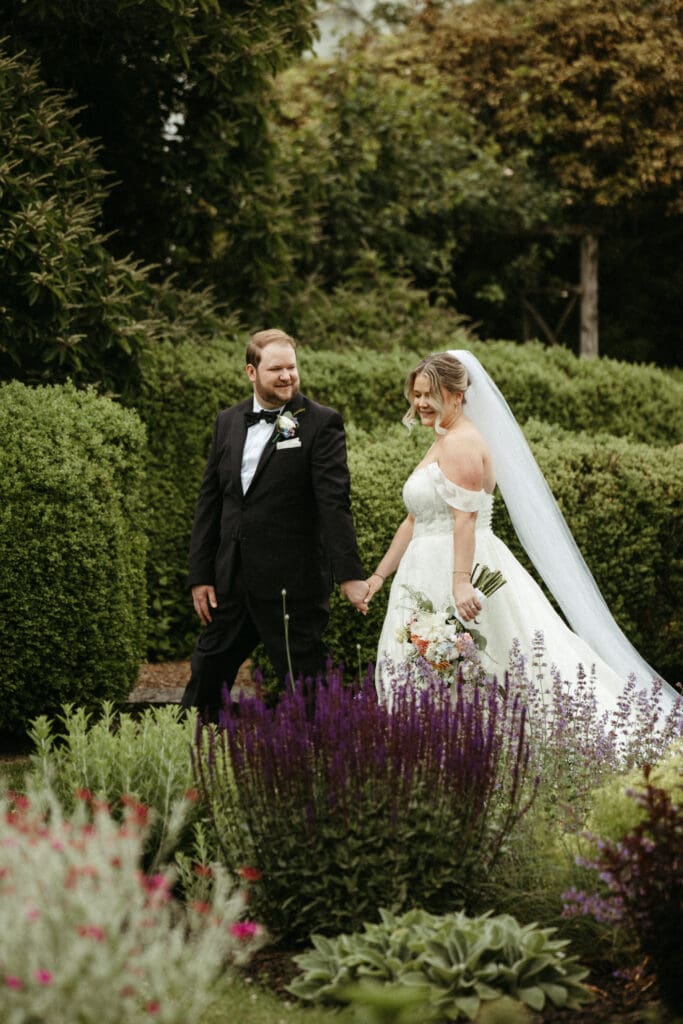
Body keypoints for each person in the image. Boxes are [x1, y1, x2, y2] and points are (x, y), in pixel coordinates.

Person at [366, 350, 681, 717]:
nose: (420, 403)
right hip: (423, 569)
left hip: (460, 566)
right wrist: (378, 576)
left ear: (456, 395)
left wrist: (460, 583)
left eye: (428, 395)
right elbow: (412, 520)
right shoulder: (443, 438)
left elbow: (464, 520)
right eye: (416, 394)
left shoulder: (460, 443)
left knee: (484, 667)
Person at [180, 328, 369, 719]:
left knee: (306, 686)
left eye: (292, 368)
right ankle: (188, 759)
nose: (287, 376)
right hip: (231, 582)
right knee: (206, 673)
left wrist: (349, 574)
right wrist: (200, 575)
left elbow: (334, 504)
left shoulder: (320, 423)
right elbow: (210, 502)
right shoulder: (228, 422)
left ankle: (321, 764)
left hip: (291, 586)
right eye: (276, 369)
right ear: (252, 372)